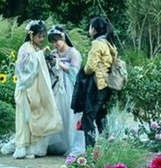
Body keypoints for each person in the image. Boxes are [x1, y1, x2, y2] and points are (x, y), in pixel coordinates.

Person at [1, 20, 63, 159]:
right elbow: (24, 68)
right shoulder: (25, 48)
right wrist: (40, 55)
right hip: (26, 89)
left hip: (36, 89)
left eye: (43, 36)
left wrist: (44, 57)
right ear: (31, 35)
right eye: (39, 36)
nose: (41, 39)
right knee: (25, 119)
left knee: (37, 117)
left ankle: (33, 149)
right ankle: (23, 147)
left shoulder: (34, 48)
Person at [82, 15, 119, 149]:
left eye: (90, 26)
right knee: (101, 118)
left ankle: (90, 151)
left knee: (88, 119)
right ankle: (108, 147)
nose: (89, 29)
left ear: (95, 29)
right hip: (107, 86)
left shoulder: (97, 43)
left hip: (97, 86)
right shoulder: (109, 43)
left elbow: (90, 66)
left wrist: (84, 72)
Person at [48, 25, 81, 155]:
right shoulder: (54, 52)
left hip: (70, 88)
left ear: (63, 37)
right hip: (57, 87)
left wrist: (60, 64)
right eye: (53, 42)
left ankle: (72, 144)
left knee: (70, 115)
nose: (55, 44)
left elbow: (75, 72)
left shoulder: (73, 53)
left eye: (57, 41)